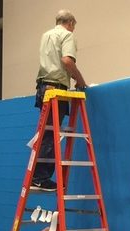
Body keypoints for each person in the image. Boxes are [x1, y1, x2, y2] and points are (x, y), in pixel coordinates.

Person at [32, 9, 87, 192]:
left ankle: (37, 176)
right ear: (70, 23)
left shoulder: (46, 35)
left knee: (46, 133)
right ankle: (41, 178)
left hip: (42, 87)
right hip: (56, 88)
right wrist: (80, 81)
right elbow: (67, 61)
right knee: (51, 135)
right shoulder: (67, 35)